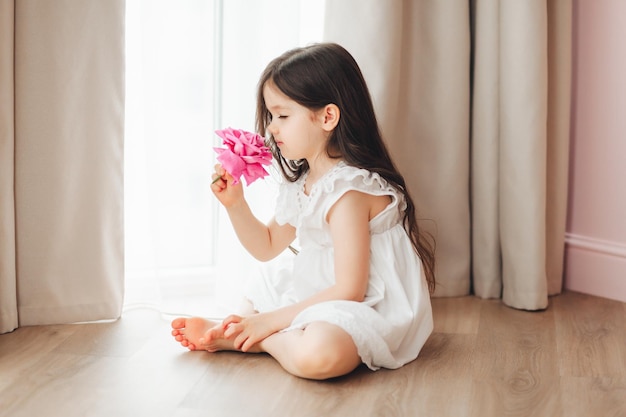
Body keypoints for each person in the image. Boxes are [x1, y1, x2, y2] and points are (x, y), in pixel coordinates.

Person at [171, 42, 435, 380]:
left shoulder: (349, 191)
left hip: (365, 302)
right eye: (271, 116)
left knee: (320, 356)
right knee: (261, 290)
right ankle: (253, 331)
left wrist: (269, 322)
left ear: (327, 117)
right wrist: (236, 205)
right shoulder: (306, 184)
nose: (271, 128)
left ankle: (255, 340)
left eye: (282, 116)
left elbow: (350, 290)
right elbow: (266, 247)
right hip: (317, 291)